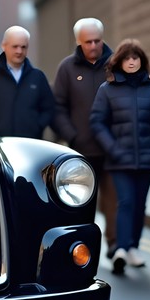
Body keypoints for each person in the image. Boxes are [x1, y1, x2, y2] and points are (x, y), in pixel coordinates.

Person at [89, 39, 150, 273]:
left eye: (135, 58)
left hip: (147, 159)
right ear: (119, 62)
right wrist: (113, 149)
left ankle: (134, 247)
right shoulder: (107, 89)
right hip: (119, 160)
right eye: (127, 58)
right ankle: (121, 250)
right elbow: (97, 123)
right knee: (125, 202)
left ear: (141, 61)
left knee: (140, 205)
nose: (131, 62)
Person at [52, 18, 117, 253]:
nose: (93, 46)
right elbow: (57, 107)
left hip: (111, 148)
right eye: (88, 42)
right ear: (78, 42)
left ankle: (115, 246)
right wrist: (72, 135)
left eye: (97, 41)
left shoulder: (115, 64)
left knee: (114, 202)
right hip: (81, 150)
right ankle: (80, 249)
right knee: (80, 202)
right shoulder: (67, 68)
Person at [0, 25, 55, 139]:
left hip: (31, 142)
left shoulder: (38, 77)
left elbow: (49, 109)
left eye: (23, 47)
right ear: (3, 46)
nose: (19, 51)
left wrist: (36, 127)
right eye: (15, 46)